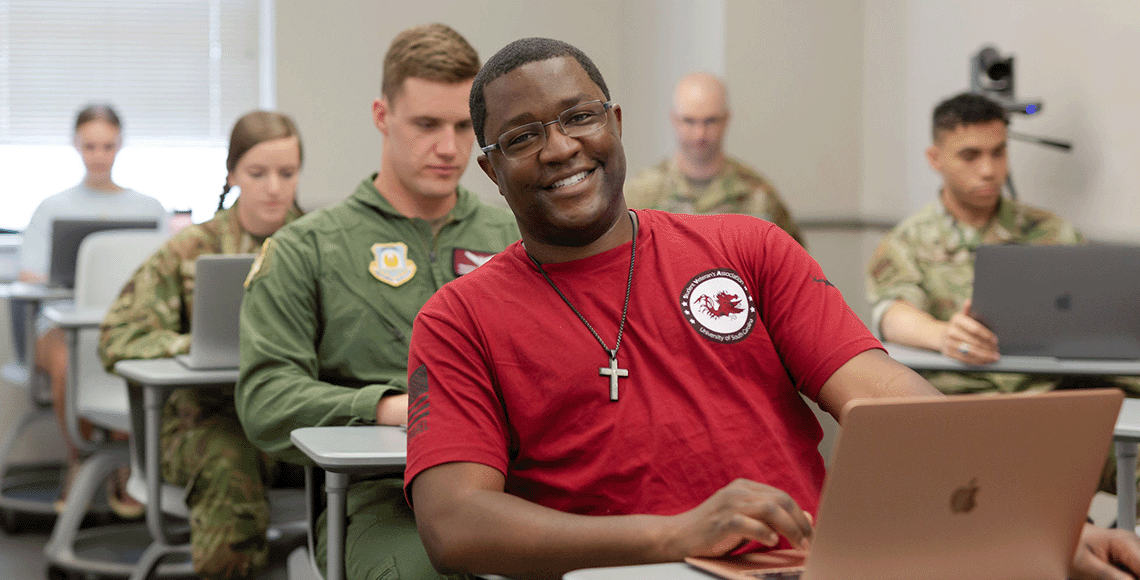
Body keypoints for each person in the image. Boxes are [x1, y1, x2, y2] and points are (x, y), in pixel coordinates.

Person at [403, 38, 1140, 580]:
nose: (562, 148)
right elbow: (456, 524)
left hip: (804, 566)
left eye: (578, 117)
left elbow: (891, 402)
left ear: (617, 122)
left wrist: (1048, 527)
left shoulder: (748, 246)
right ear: (491, 169)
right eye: (524, 136)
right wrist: (673, 537)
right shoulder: (457, 318)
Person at [234, 24, 519, 580]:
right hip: (384, 500)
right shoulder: (308, 247)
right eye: (427, 124)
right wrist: (386, 407)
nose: (449, 147)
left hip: (521, 482)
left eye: (465, 127)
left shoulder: (516, 236)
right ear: (382, 116)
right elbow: (266, 397)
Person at [97, 111, 304, 580]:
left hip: (295, 414)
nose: (274, 187)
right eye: (257, 173)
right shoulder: (192, 247)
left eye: (286, 173)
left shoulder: (321, 243)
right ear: (232, 174)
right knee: (229, 462)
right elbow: (117, 336)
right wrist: (191, 344)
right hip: (206, 419)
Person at [866, 92, 1139, 395]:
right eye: (970, 156)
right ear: (935, 159)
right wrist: (943, 335)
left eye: (998, 152)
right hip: (959, 399)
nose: (988, 170)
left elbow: (1097, 306)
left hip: (1048, 396)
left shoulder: (1050, 230)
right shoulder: (908, 240)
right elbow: (891, 314)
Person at [17, 104, 168, 517]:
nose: (99, 155)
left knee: (130, 357)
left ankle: (124, 458)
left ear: (121, 145)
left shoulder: (150, 208)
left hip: (125, 324)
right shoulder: (51, 208)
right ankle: (79, 456)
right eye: (90, 146)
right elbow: (29, 274)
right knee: (70, 359)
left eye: (107, 145)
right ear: (76, 146)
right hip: (61, 323)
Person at [624, 71, 805, 246]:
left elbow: (794, 267)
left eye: (710, 121)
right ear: (674, 120)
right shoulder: (640, 194)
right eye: (689, 121)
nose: (700, 133)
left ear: (726, 120)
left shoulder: (759, 195)